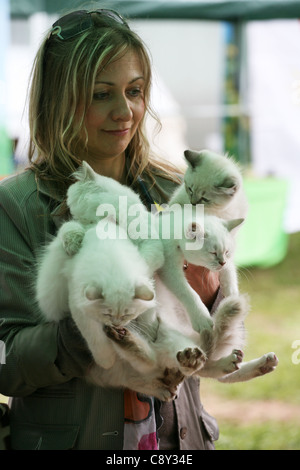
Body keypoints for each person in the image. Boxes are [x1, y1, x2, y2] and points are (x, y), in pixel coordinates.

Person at [0, 9, 220, 450]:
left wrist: (209, 295)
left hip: (177, 440)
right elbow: (7, 362)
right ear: (59, 100)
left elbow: (212, 336)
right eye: (102, 94)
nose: (126, 111)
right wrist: (87, 327)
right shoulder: (17, 206)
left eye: (135, 91)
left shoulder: (174, 190)